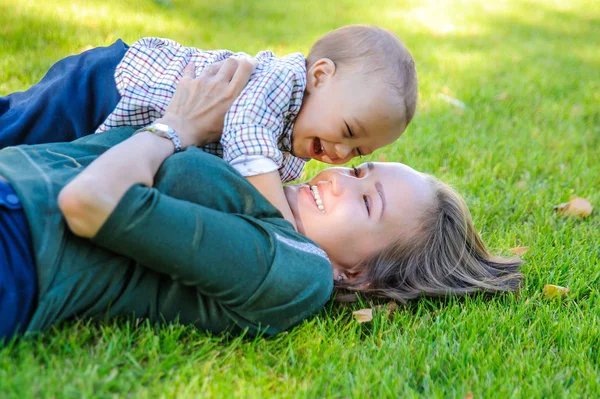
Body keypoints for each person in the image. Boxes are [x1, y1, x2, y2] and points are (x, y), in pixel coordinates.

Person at [0, 58, 521, 343]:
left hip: (19, 243)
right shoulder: (262, 175)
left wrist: (175, 127)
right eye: (360, 170)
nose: (339, 176)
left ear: (357, 274)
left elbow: (90, 202)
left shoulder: (297, 274)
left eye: (366, 204)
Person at [0, 25, 418, 230]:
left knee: (36, 163)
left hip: (127, 132)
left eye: (359, 152)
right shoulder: (279, 79)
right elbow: (245, 132)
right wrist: (286, 227)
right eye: (348, 130)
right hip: (108, 85)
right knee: (17, 127)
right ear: (321, 76)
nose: (342, 155)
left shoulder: (289, 157)